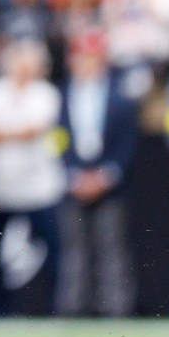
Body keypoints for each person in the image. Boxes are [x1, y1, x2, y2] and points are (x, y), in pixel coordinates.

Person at [0, 36, 66, 318]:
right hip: (2, 190)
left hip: (40, 189)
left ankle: (50, 311)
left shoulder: (45, 93)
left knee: (52, 252)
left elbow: (33, 130)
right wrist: (11, 133)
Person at [55, 28, 139, 319]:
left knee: (112, 248)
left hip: (108, 182)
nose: (86, 63)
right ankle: (72, 310)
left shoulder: (120, 96)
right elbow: (55, 140)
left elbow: (128, 143)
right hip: (73, 181)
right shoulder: (60, 96)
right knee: (74, 251)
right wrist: (71, 174)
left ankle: (116, 310)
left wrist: (107, 175)